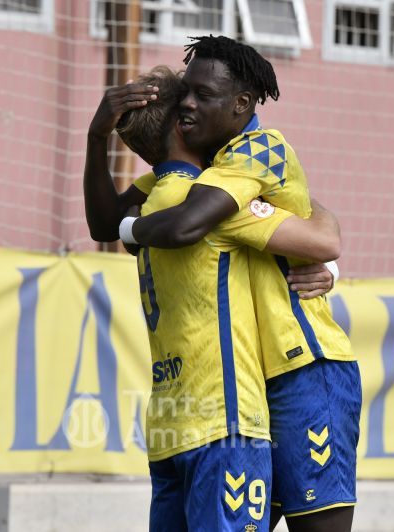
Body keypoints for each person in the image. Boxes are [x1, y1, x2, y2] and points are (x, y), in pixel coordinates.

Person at [118, 36, 361, 532]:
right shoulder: (206, 171)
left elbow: (321, 234)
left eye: (202, 95)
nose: (187, 103)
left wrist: (131, 230)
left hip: (303, 366)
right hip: (247, 384)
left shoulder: (258, 149)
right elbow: (320, 228)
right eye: (185, 92)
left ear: (241, 104)